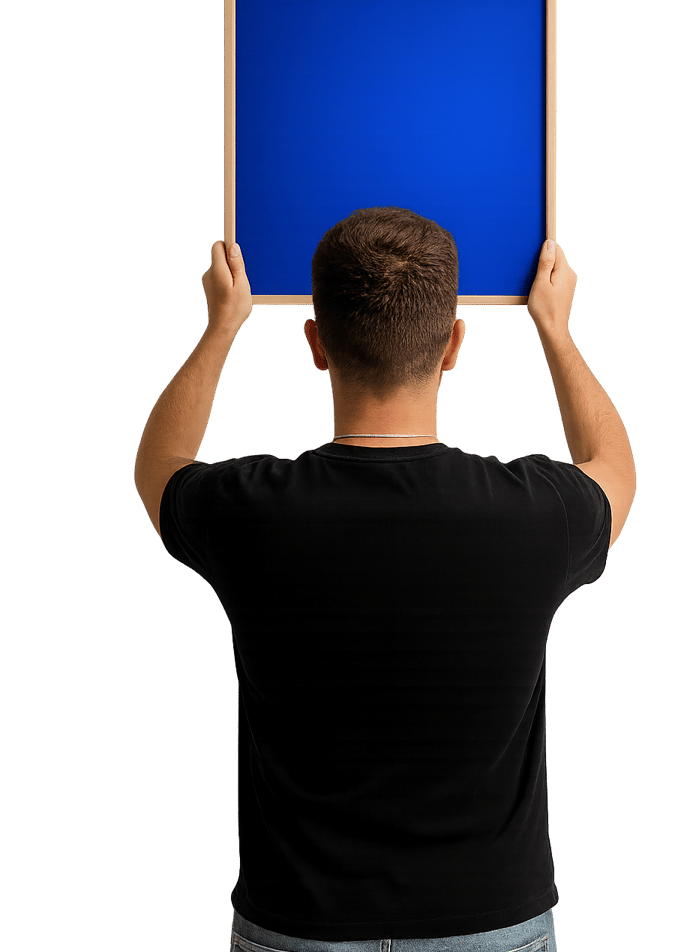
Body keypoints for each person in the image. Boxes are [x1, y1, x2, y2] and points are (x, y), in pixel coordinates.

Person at [134, 207, 637, 952]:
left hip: (298, 925)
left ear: (315, 343)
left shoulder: (249, 511)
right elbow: (616, 468)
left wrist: (221, 326)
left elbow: (160, 464)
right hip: (492, 926)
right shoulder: (538, 514)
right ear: (454, 345)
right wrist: (555, 331)